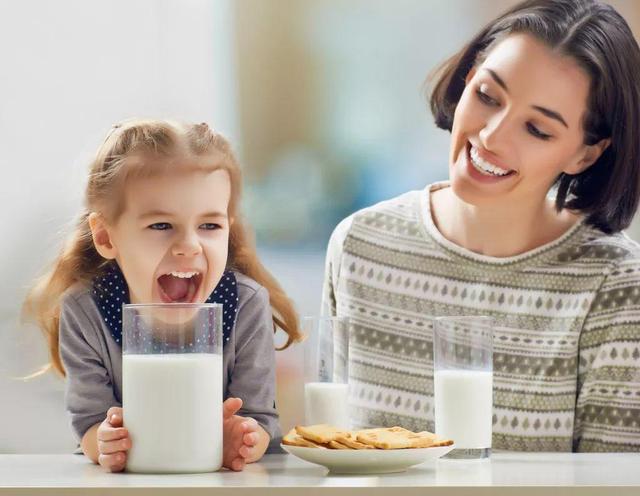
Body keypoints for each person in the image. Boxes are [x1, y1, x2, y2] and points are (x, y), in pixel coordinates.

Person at [322, 0, 640, 452]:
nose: (491, 136)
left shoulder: (615, 283)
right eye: (489, 96)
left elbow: (616, 482)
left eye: (537, 129)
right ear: (469, 78)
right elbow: (336, 450)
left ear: (585, 154)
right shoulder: (359, 245)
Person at [24, 119, 301, 471]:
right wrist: (105, 442)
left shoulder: (245, 303)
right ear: (107, 237)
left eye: (209, 226)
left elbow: (259, 419)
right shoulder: (86, 309)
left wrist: (243, 438)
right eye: (161, 225)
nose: (188, 245)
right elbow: (90, 423)